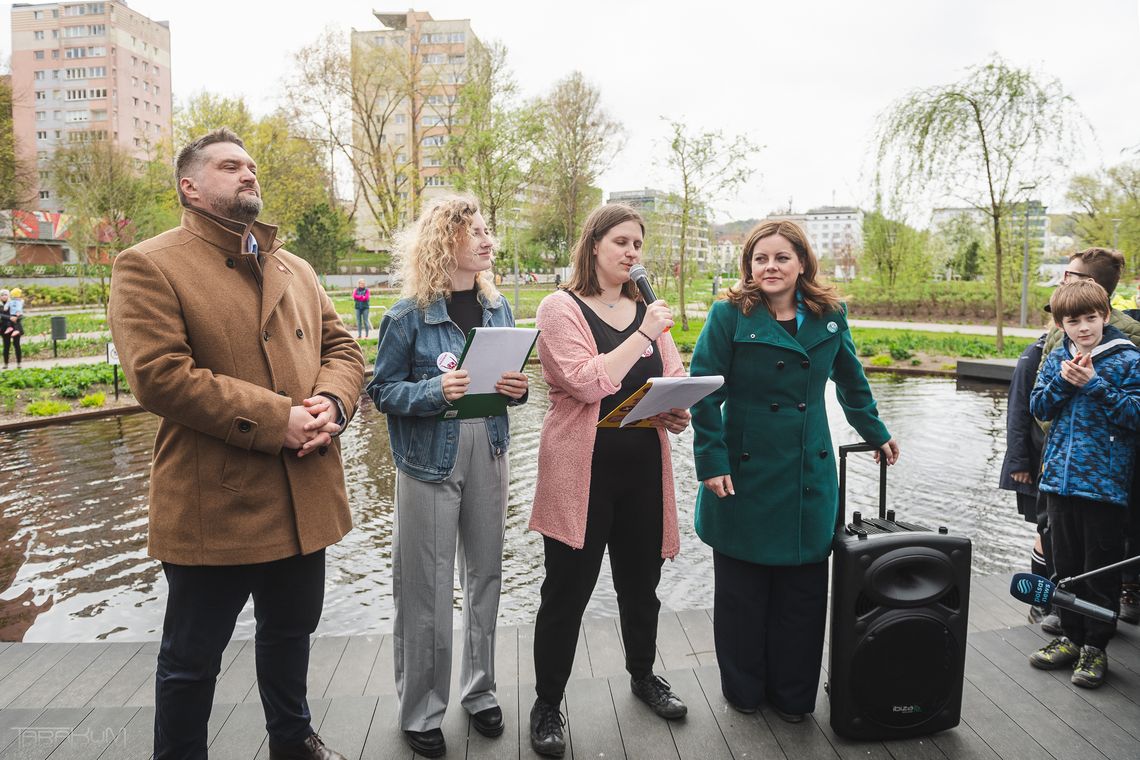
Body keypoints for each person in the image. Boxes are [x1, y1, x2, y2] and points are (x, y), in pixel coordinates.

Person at [108, 127, 365, 760]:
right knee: (192, 659)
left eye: (251, 166)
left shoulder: (294, 267)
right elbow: (160, 376)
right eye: (229, 166)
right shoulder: (149, 263)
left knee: (291, 634)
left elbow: (343, 349)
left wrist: (332, 402)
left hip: (303, 495)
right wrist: (281, 421)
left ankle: (292, 740)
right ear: (189, 186)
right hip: (213, 504)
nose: (248, 174)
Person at [689, 219, 899, 722]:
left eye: (781, 257)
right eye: (760, 258)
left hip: (809, 471)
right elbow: (703, 392)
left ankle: (792, 696)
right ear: (748, 266)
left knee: (803, 596)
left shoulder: (830, 316)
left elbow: (852, 381)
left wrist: (875, 431)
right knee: (742, 593)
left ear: (802, 262)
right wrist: (711, 461)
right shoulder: (729, 315)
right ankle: (744, 691)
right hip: (742, 473)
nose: (770, 267)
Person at [366, 196, 528, 759]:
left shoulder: (498, 307)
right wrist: (435, 391)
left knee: (485, 577)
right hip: (428, 459)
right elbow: (381, 391)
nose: (487, 240)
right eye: (475, 232)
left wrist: (517, 389)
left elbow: (509, 381)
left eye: (488, 231)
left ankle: (477, 690)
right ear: (444, 243)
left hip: (489, 449)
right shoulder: (407, 315)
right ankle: (421, 709)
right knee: (424, 590)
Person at [527, 203, 691, 759]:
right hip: (582, 475)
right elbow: (585, 381)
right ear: (594, 244)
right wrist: (643, 333)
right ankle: (548, 703)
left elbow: (672, 374)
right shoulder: (560, 308)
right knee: (566, 594)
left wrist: (678, 405)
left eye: (638, 245)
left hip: (644, 468)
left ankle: (643, 676)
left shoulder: (647, 310)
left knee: (640, 589)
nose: (631, 253)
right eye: (621, 241)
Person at [1028, 279, 1140, 688]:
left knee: (1100, 571)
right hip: (1059, 480)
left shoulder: (1127, 360)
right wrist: (1063, 381)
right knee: (1066, 566)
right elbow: (1037, 406)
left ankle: (1096, 648)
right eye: (1073, 321)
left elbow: (1136, 414)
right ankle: (1071, 639)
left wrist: (1094, 386)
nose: (1084, 328)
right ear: (1062, 324)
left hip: (1104, 486)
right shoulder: (1059, 355)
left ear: (1105, 316)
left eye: (1091, 318)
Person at [998, 333, 1062, 633]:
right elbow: (1018, 408)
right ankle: (1040, 602)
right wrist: (1019, 462)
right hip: (1036, 462)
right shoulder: (1035, 353)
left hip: (1056, 463)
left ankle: (1057, 600)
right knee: (1044, 529)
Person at [0, 289, 21, 369]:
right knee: (6, 346)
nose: (4, 296)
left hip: (15, 327)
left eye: (5, 295)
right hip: (4, 328)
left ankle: (19, 363)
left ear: (8, 296)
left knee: (17, 345)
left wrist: (16, 317)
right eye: (2, 295)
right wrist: (10, 317)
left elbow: (20, 315)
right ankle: (6, 364)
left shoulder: (14, 304)